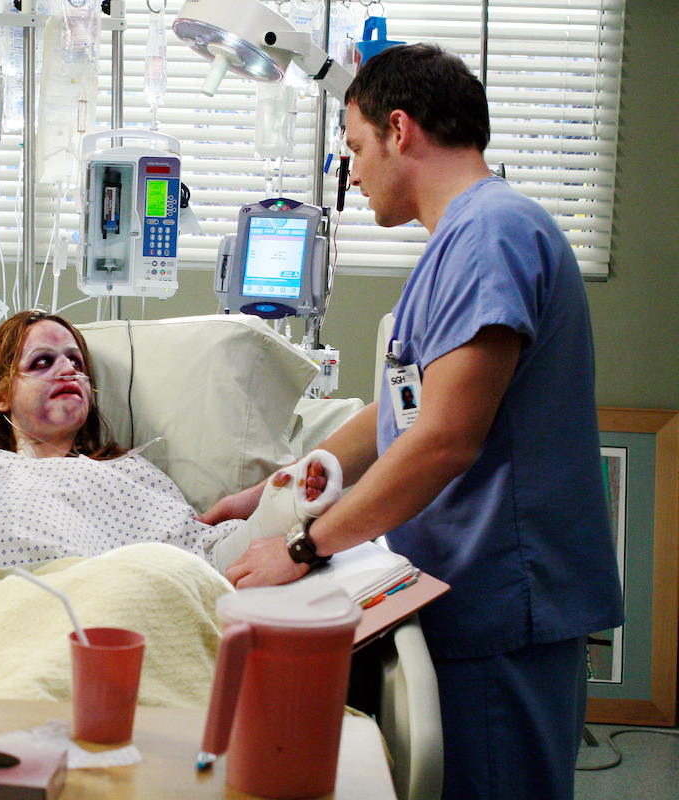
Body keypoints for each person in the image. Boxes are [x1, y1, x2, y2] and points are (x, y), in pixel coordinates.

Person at [200, 44, 623, 800]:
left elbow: (446, 437)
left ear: (400, 129)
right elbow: (401, 407)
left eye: (356, 149)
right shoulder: (465, 238)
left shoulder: (492, 236)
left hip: (501, 599)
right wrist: (283, 485)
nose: (352, 174)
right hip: (463, 592)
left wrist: (304, 544)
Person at [0, 309, 336, 571]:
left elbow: (202, 555)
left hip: (87, 615)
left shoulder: (126, 473)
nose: (68, 369)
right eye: (41, 363)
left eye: (75, 362)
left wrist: (274, 514)